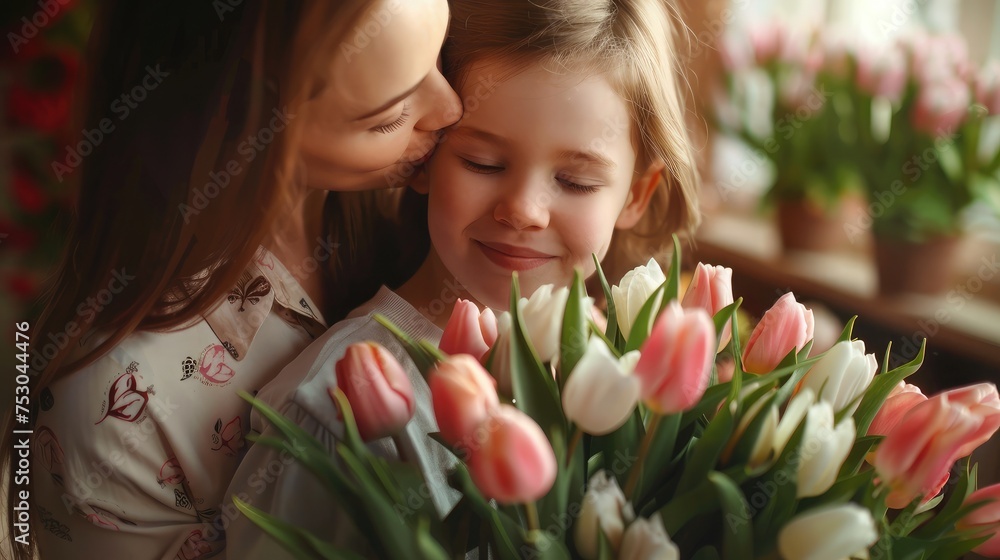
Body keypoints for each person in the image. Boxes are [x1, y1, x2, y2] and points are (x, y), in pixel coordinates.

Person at [224, 0, 701, 556]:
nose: (524, 210)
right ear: (424, 156)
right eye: (483, 162)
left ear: (636, 196)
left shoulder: (624, 379)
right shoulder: (342, 408)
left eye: (575, 181)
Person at [2, 0, 461, 558]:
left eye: (442, 53)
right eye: (388, 117)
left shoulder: (423, 210)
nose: (453, 108)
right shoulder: (118, 410)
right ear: (245, 127)